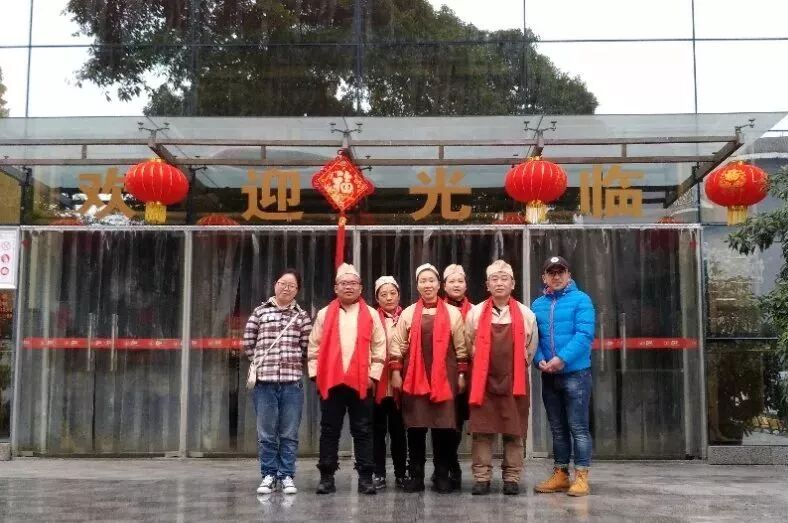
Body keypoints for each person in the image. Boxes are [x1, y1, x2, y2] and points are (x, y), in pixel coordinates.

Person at [308, 263, 387, 495]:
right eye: (344, 283)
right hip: (331, 381)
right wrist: (316, 374)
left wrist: (373, 376)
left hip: (362, 381)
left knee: (363, 430)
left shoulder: (371, 314)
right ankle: (326, 477)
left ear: (361, 288)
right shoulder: (324, 314)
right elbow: (314, 346)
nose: (348, 287)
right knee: (329, 430)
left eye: (353, 283)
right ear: (336, 288)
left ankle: (365, 477)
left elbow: (379, 347)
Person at [389, 263, 469, 493]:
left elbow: (461, 347)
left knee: (443, 429)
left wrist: (461, 375)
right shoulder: (407, 313)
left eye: (431, 280)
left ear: (438, 284)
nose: (427, 285)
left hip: (445, 378)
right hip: (414, 379)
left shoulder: (453, 313)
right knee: (415, 429)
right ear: (417, 286)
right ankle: (416, 475)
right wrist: (396, 372)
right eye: (423, 281)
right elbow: (397, 345)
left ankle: (442, 475)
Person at [465, 260, 538, 496]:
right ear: (487, 285)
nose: (499, 283)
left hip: (514, 381)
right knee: (482, 432)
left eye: (504, 278)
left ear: (513, 284)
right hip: (483, 382)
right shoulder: (475, 313)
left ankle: (512, 478)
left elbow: (530, 348)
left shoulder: (526, 314)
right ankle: (482, 478)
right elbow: (469, 343)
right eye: (494, 279)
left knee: (514, 432)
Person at [244, 268, 314, 495]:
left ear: (297, 290)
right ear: (275, 284)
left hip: (292, 384)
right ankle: (268, 474)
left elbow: (307, 348)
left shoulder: (302, 317)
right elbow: (248, 343)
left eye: (291, 286)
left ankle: (286, 475)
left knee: (288, 434)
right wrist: (261, 363)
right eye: (283, 283)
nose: (286, 288)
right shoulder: (260, 312)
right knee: (266, 434)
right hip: (264, 383)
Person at [531, 256, 595, 497]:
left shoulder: (582, 300)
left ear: (569, 275)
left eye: (561, 272)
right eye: (552, 272)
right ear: (544, 277)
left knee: (578, 427)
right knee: (557, 429)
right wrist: (539, 359)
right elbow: (533, 338)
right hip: (549, 375)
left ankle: (581, 476)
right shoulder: (537, 304)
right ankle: (560, 474)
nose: (556, 276)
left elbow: (585, 334)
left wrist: (562, 359)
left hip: (576, 374)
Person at [372, 275, 408, 490]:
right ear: (377, 298)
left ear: (399, 295)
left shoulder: (407, 316)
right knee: (377, 431)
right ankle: (378, 472)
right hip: (377, 383)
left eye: (392, 293)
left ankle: (401, 473)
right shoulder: (371, 317)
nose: (389, 298)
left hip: (400, 383)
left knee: (398, 431)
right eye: (383, 294)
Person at [442, 263, 473, 490]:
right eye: (451, 281)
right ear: (444, 285)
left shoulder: (476, 311)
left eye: (460, 281)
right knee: (445, 423)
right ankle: (447, 466)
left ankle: (452, 465)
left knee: (458, 421)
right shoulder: (436, 309)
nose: (456, 285)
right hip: (443, 374)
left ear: (466, 285)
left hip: (470, 374)